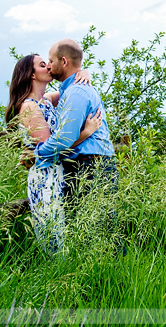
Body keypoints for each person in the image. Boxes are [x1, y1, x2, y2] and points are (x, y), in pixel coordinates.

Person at [5, 53, 102, 253]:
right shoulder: (28, 108)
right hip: (45, 176)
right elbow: (52, 148)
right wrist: (86, 132)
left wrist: (83, 72)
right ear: (31, 74)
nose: (49, 67)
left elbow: (75, 88)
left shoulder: (46, 101)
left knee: (67, 229)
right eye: (43, 65)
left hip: (59, 173)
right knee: (54, 234)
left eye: (49, 63)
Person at [34, 39, 118, 229]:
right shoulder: (71, 90)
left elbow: (65, 138)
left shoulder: (77, 92)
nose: (48, 66)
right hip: (94, 162)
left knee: (89, 232)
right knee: (100, 229)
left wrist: (37, 153)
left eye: (51, 61)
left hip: (88, 165)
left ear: (63, 62)